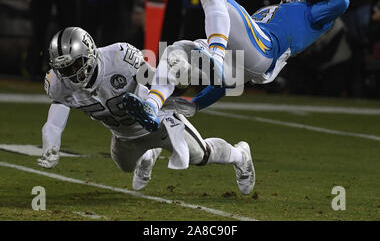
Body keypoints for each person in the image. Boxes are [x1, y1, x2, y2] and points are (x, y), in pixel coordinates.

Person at [123, 0, 349, 131]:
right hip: (249, 59)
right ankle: (152, 106)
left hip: (265, 48)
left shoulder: (314, 14)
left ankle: (216, 54)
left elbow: (341, 2)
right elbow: (227, 81)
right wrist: (196, 104)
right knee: (176, 51)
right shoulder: (271, 14)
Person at [38, 27, 255, 195]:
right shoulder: (58, 84)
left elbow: (157, 80)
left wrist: (180, 83)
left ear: (90, 52)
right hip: (123, 136)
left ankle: (240, 155)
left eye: (76, 65)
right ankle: (148, 155)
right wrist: (51, 145)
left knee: (201, 156)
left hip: (158, 122)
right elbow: (54, 122)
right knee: (124, 166)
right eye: (65, 69)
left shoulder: (118, 57)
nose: (72, 74)